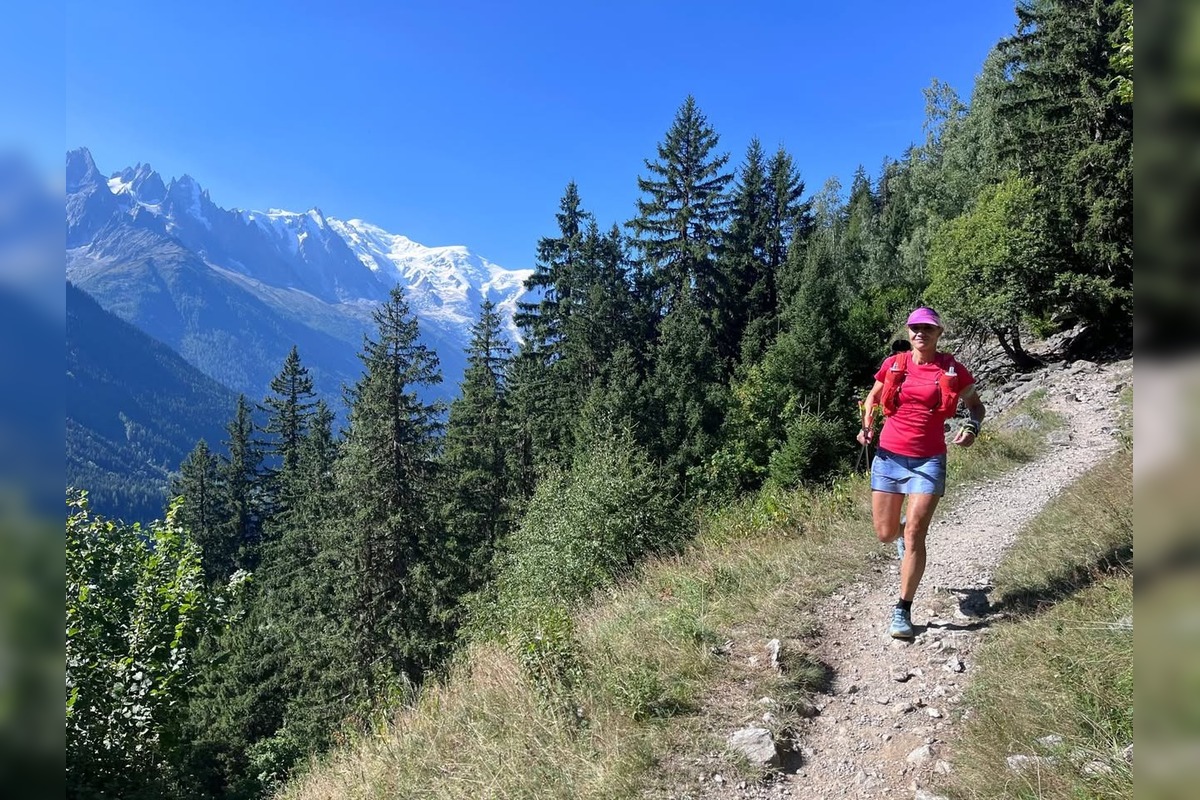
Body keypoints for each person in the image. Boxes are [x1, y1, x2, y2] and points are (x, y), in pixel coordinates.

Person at [856, 307, 986, 639]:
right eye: (915, 328)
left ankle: (902, 609)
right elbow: (872, 398)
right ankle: (899, 540)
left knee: (915, 532)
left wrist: (971, 428)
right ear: (908, 331)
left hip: (929, 460)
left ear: (939, 333)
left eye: (928, 328)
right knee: (886, 534)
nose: (920, 333)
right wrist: (867, 426)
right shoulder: (894, 364)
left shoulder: (952, 369)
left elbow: (976, 406)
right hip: (888, 457)